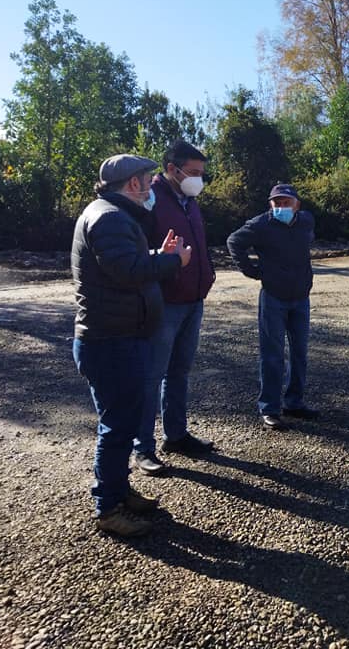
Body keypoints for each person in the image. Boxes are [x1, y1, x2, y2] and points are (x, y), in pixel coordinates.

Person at [72, 154, 191, 537]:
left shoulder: (113, 214)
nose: (152, 186)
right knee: (117, 426)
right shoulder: (108, 218)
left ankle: (119, 492)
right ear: (133, 184)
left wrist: (160, 255)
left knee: (121, 423)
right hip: (110, 342)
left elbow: (128, 263)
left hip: (117, 338)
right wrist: (173, 262)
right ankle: (107, 509)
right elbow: (128, 272)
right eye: (147, 179)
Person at [133, 140, 215, 476]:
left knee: (179, 372)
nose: (199, 179)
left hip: (193, 298)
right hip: (165, 302)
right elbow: (139, 250)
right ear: (171, 169)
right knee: (151, 376)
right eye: (193, 173)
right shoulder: (150, 200)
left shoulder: (189, 201)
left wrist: (206, 276)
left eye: (201, 173)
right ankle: (143, 448)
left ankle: (176, 435)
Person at [227, 184, 317, 429]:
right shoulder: (260, 225)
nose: (281, 206)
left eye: (286, 202)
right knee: (272, 355)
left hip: (301, 297)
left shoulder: (306, 221)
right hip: (273, 298)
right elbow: (234, 241)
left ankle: (294, 402)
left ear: (297, 204)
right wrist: (253, 271)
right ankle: (270, 408)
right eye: (276, 202)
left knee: (300, 353)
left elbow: (307, 241)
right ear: (270, 205)